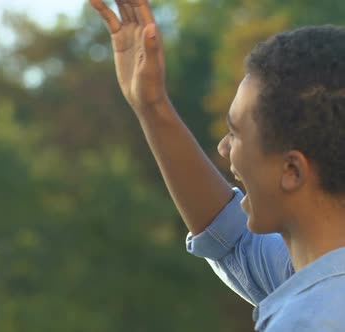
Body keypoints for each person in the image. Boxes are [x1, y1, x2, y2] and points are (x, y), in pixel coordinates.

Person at [90, 0, 345, 331]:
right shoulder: (317, 270)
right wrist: (151, 106)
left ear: (292, 170)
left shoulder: (308, 321)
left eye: (236, 133)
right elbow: (231, 237)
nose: (224, 149)